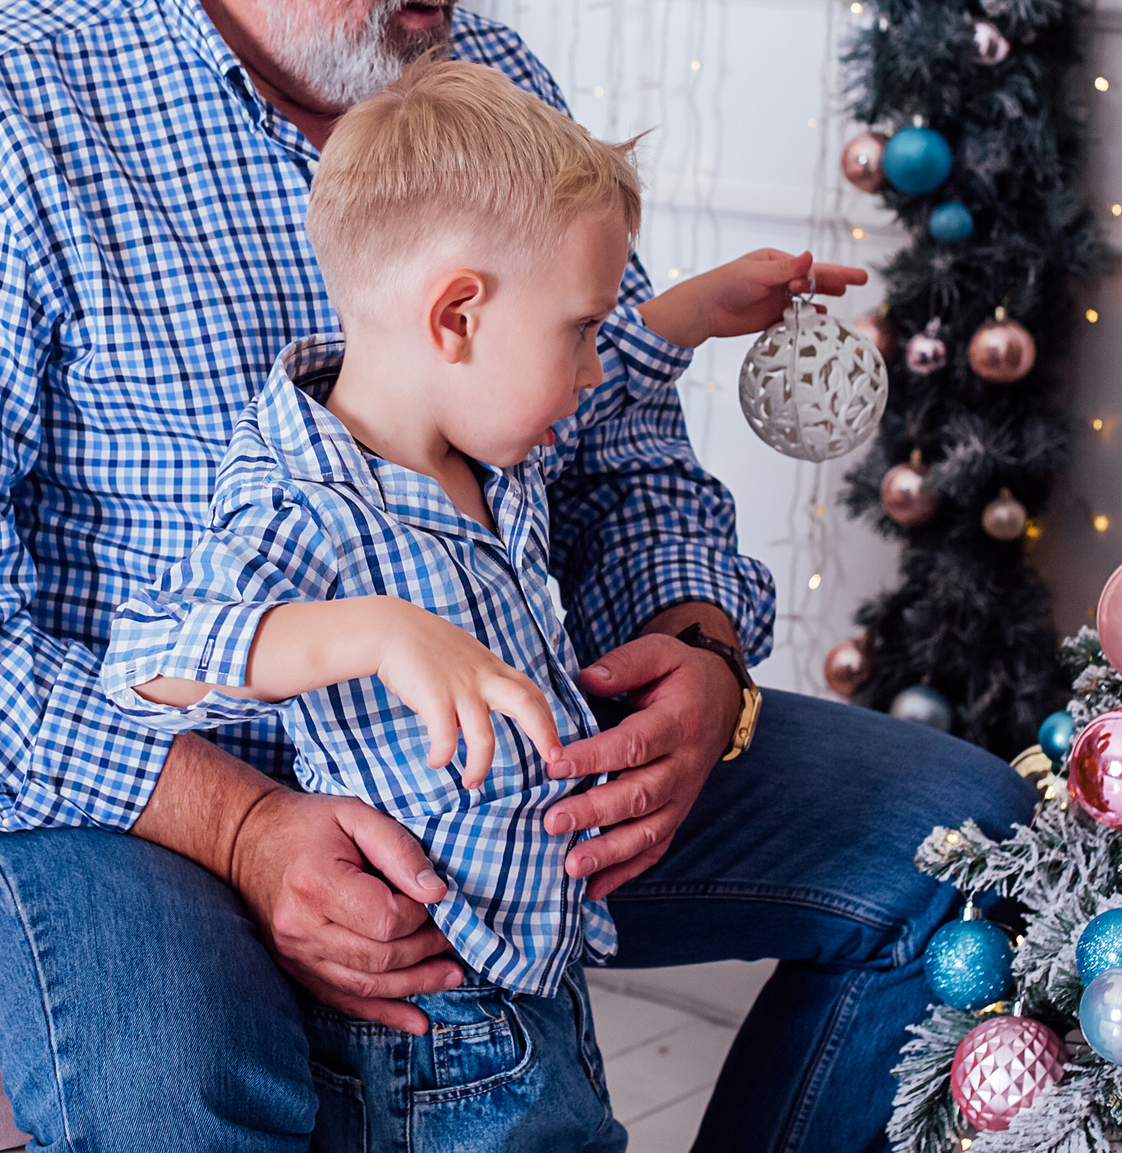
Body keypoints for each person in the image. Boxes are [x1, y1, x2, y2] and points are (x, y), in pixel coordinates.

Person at [0, 0, 1039, 1153]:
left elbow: (621, 445)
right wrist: (242, 824)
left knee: (968, 853)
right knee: (183, 1094)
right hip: (139, 772)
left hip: (484, 739)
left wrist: (695, 649)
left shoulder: (494, 88)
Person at [98, 60, 828, 1149]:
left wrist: (688, 313)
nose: (588, 370)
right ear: (456, 317)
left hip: (541, 978)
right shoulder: (302, 498)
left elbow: (604, 387)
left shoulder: (483, 439)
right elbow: (148, 659)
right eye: (578, 328)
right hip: (436, 1036)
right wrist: (375, 632)